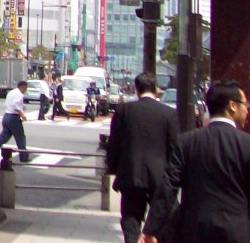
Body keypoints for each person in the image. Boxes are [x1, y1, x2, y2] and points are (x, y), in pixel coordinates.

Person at [143, 79, 250, 243]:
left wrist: (151, 229)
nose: (247, 109)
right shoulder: (246, 144)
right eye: (245, 104)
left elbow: (168, 188)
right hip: (237, 231)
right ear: (232, 106)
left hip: (194, 231)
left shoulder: (186, 142)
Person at [105, 72, 180, 243]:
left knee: (131, 217)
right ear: (156, 89)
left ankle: (133, 240)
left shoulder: (124, 110)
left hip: (131, 173)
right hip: (160, 176)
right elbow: (175, 148)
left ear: (136, 89)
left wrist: (113, 168)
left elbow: (114, 143)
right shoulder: (169, 114)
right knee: (164, 218)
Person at [0, 80, 32, 163]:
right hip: (13, 117)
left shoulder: (11, 92)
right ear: (22, 87)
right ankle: (24, 157)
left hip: (6, 116)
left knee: (3, 137)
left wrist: (21, 107)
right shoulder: (19, 94)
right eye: (25, 89)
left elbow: (9, 103)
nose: (25, 91)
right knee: (20, 137)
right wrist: (21, 113)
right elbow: (15, 104)